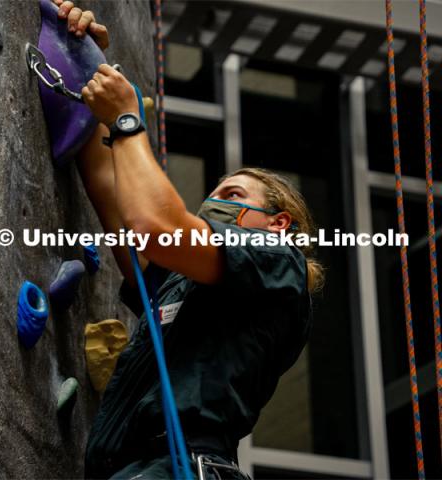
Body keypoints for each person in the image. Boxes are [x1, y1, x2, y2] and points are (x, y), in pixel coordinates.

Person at [52, 2, 324, 479]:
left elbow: (158, 229)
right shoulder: (184, 281)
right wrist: (81, 55)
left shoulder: (280, 263)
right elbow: (109, 183)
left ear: (279, 224)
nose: (214, 202)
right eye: (213, 194)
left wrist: (128, 120)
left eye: (233, 194)